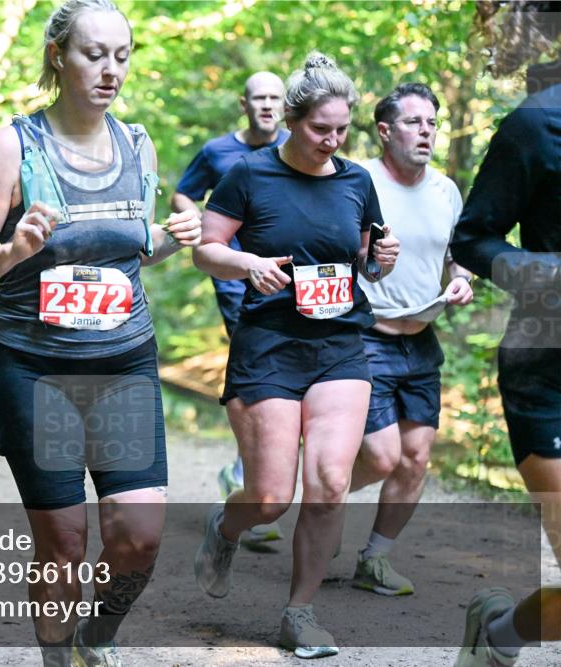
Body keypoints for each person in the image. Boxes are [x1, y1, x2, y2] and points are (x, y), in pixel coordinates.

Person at [0, 2, 201, 665]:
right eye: (94, 54)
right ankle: (58, 658)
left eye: (122, 55)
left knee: (139, 535)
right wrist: (12, 250)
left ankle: (98, 635)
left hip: (122, 363)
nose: (110, 69)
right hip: (36, 371)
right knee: (63, 541)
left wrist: (179, 237)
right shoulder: (14, 146)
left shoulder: (137, 144)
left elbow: (132, 251)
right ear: (59, 56)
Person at [192, 51, 400, 658]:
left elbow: (364, 260)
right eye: (319, 129)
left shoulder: (356, 180)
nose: (331, 140)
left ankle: (300, 613)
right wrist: (247, 262)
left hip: (339, 343)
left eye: (341, 130)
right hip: (269, 344)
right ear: (290, 119)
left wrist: (378, 266)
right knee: (270, 497)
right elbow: (208, 251)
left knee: (331, 481)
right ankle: (225, 528)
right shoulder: (250, 175)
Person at [449, 4, 560, 665]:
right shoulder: (536, 125)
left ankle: (499, 634)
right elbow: (473, 236)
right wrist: (546, 270)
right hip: (546, 375)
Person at [346, 82, 474, 596]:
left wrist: (461, 278)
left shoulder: (446, 190)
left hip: (422, 337)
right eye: (414, 122)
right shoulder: (357, 182)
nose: (427, 132)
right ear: (384, 130)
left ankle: (374, 559)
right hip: (364, 336)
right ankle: (315, 491)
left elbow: (455, 255)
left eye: (432, 124)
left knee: (416, 456)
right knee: (380, 456)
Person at [171, 71, 289, 545]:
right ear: (244, 103)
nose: (266, 105)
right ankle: (250, 481)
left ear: (285, 105)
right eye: (258, 97)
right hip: (236, 280)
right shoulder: (218, 151)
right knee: (259, 366)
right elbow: (183, 191)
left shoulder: (298, 147)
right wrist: (197, 222)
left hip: (286, 276)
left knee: (281, 369)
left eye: (274, 98)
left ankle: (246, 476)